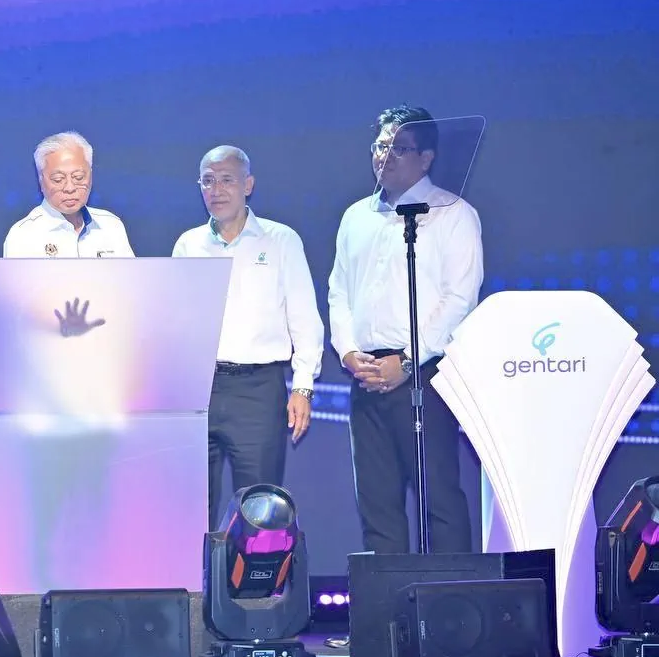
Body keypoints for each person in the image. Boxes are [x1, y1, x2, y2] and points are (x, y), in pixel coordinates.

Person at [327, 105, 483, 554]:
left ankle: (449, 594)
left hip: (425, 374)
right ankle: (388, 597)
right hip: (365, 373)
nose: (386, 156)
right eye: (381, 146)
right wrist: (348, 352)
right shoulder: (356, 216)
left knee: (438, 497)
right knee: (377, 503)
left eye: (399, 148)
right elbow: (338, 290)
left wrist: (410, 360)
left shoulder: (453, 214)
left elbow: (460, 299)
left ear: (426, 157)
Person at [172, 145, 324, 530]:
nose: (217, 190)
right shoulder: (188, 244)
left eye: (227, 180)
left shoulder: (280, 240)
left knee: (259, 509)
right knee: (190, 507)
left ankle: (254, 574)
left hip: (258, 391)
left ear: (248, 185)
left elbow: (305, 319)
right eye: (208, 181)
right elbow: (175, 321)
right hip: (199, 388)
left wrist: (303, 387)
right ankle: (194, 573)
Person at [3, 131, 134, 258]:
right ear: (41, 181)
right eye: (58, 179)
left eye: (78, 177)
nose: (70, 188)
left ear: (91, 174)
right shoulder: (23, 235)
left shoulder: (111, 226)